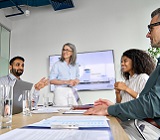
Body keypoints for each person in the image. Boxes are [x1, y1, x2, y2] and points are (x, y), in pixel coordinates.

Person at [84, 8, 160, 140]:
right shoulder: (131, 79)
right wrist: (115, 105)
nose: (148, 35)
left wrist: (111, 109)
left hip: (144, 128)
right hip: (137, 123)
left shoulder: (142, 77)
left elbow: (151, 104)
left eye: (150, 28)